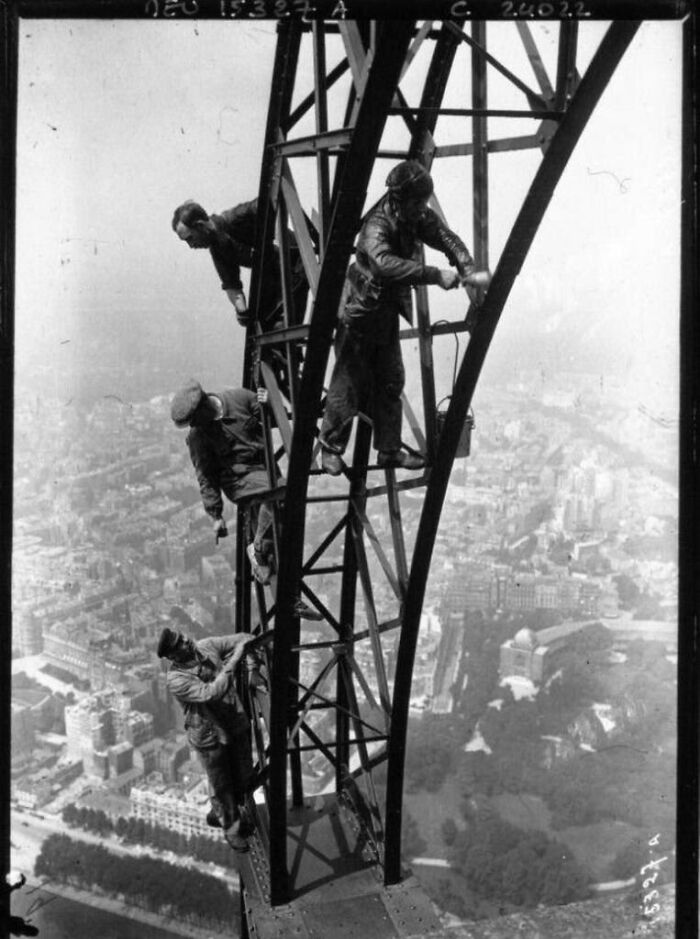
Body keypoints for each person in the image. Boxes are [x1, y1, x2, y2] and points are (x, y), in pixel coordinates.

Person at [318, 160, 486, 476]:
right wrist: (435, 274)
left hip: (383, 312)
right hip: (360, 314)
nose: (423, 209)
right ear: (400, 200)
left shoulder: (413, 213)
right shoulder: (376, 226)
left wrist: (467, 267)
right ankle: (330, 450)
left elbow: (445, 237)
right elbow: (383, 265)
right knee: (347, 384)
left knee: (391, 379)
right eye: (418, 203)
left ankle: (389, 451)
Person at [171, 379, 322, 621]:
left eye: (194, 419)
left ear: (203, 406)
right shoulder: (198, 436)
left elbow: (274, 421)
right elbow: (206, 477)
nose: (194, 425)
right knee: (282, 496)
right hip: (239, 480)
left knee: (279, 537)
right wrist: (215, 515)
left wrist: (269, 404)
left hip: (265, 471)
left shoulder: (239, 398)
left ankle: (288, 598)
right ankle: (259, 548)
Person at [157, 626, 257, 851]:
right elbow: (210, 693)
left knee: (243, 775)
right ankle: (231, 830)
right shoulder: (176, 679)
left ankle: (221, 812)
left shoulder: (206, 646)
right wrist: (234, 662)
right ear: (172, 656)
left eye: (184, 637)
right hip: (209, 735)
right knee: (222, 786)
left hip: (233, 721)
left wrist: (252, 668)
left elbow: (246, 640)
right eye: (181, 643)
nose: (187, 641)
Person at [171, 198, 308, 332]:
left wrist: (278, 238)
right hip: (275, 277)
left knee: (280, 329)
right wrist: (241, 310)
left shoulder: (234, 218)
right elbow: (232, 286)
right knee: (269, 333)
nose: (191, 246)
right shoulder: (219, 250)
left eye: (190, 238)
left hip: (297, 262)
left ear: (200, 225)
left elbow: (272, 199)